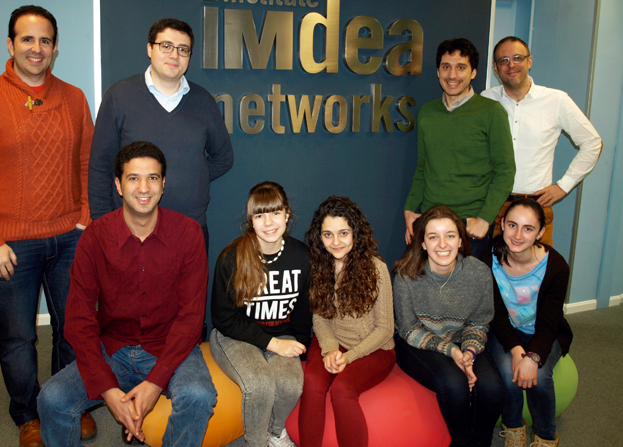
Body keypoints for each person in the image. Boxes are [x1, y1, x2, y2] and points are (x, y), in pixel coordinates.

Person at [0, 5, 95, 447]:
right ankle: (28, 414)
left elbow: (89, 162)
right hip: (10, 244)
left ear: (55, 47)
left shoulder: (73, 98)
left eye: (45, 40)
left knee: (74, 329)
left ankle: (66, 403)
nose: (37, 48)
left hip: (69, 238)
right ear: (10, 45)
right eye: (27, 39)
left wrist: (86, 218)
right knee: (19, 338)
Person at [38, 142, 217, 447]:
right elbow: (78, 318)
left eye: (152, 178)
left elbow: (190, 317)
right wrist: (107, 389)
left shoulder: (188, 234)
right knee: (51, 399)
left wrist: (155, 382)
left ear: (164, 184)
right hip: (113, 346)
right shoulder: (95, 237)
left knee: (198, 396)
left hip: (170, 345)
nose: (143, 187)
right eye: (134, 178)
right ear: (119, 185)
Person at [88, 18, 233, 250]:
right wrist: (102, 223)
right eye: (166, 46)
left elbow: (223, 158)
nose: (174, 55)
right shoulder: (119, 96)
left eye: (183, 49)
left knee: (191, 288)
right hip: (131, 231)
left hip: (189, 228)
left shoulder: (203, 101)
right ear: (149, 48)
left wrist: (195, 177)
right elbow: (100, 165)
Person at [393, 205, 505, 447]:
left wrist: (469, 352)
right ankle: (462, 441)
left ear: (460, 240)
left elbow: (479, 321)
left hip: (463, 339)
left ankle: (481, 441)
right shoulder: (406, 274)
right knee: (455, 385)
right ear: (422, 243)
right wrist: (451, 351)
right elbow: (408, 329)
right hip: (417, 343)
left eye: (450, 236)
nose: (442, 244)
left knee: (493, 388)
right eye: (433, 237)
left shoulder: (479, 273)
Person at [210, 181, 311, 447]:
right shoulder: (231, 258)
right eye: (260, 215)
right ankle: (255, 442)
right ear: (251, 220)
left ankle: (276, 432)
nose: (268, 223)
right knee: (261, 385)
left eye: (275, 213)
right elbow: (223, 318)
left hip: (281, 331)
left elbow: (302, 311)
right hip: (234, 336)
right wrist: (273, 344)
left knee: (291, 385)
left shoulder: (302, 257)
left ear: (287, 215)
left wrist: (302, 349)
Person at [482, 36, 602, 246]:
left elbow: (592, 142)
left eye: (517, 58)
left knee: (535, 273)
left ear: (529, 61)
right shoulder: (486, 100)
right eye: (504, 60)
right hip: (492, 206)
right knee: (486, 273)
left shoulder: (556, 100)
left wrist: (564, 186)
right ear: (495, 67)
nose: (511, 65)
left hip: (536, 207)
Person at [403, 38, 516, 258]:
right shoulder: (427, 113)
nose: (452, 75)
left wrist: (485, 219)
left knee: (467, 292)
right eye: (446, 67)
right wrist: (409, 209)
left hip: (471, 225)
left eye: (461, 67)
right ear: (438, 72)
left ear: (473, 72)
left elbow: (505, 171)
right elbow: (423, 168)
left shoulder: (492, 112)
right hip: (429, 221)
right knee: (421, 288)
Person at [299, 197, 395, 447]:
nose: (336, 242)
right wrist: (330, 348)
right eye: (327, 235)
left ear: (355, 233)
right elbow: (319, 316)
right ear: (319, 237)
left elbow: (385, 329)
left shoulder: (376, 268)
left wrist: (349, 356)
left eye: (343, 233)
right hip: (335, 343)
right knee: (311, 383)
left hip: (373, 349)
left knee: (342, 391)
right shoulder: (320, 266)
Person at [482, 198, 572, 447]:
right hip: (504, 330)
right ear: (502, 224)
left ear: (541, 232)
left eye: (528, 228)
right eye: (512, 225)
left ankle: (545, 435)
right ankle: (513, 427)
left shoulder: (555, 267)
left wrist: (532, 357)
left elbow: (549, 323)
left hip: (542, 332)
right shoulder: (488, 259)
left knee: (540, 376)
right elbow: (496, 315)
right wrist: (516, 350)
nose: (518, 235)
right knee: (508, 371)